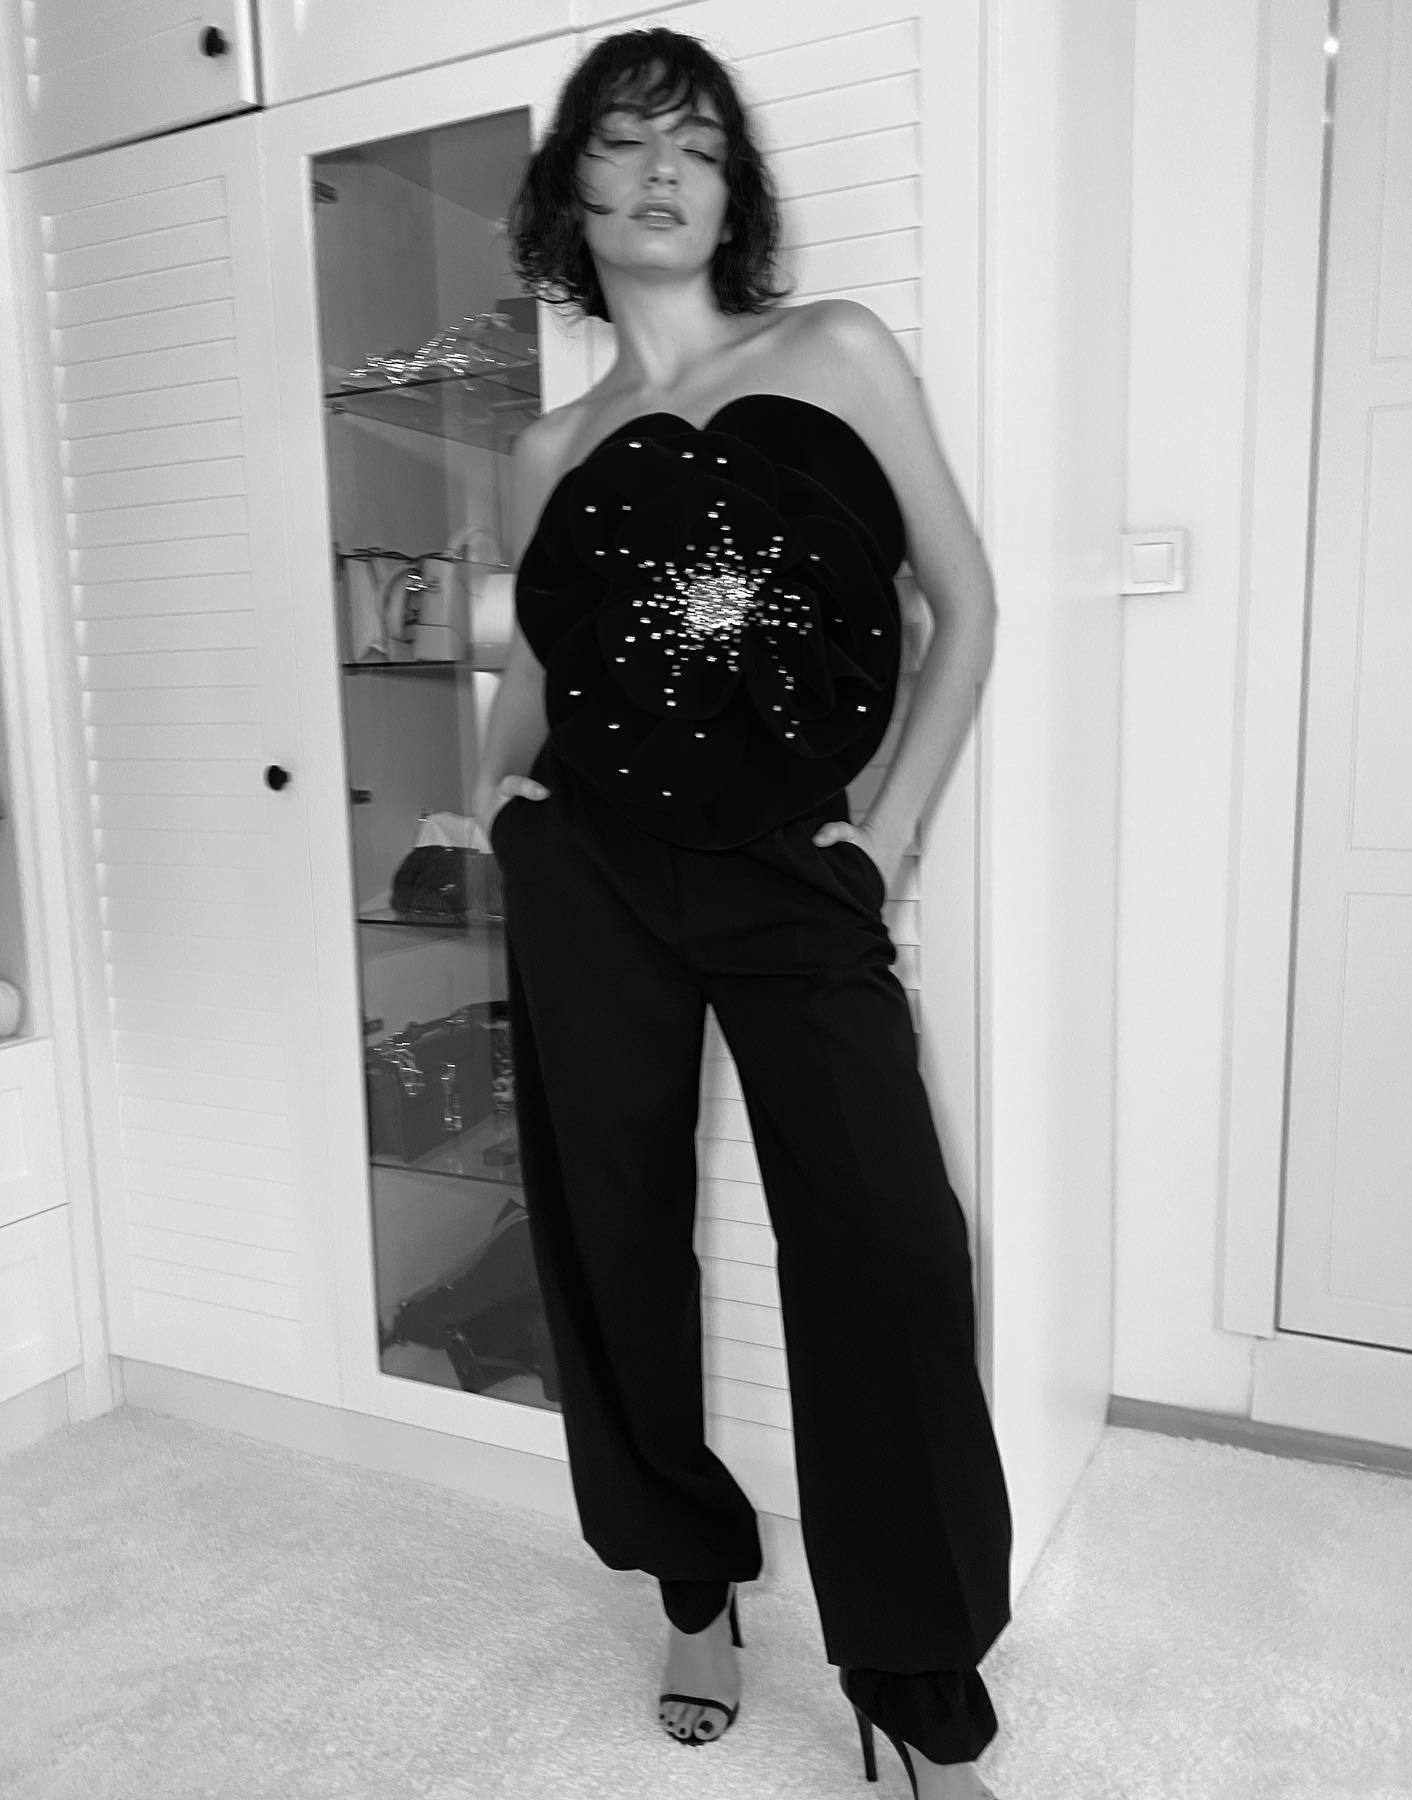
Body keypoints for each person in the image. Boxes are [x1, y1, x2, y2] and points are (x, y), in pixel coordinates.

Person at [470, 26, 1010, 1800]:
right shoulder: (547, 448)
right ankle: (691, 1589)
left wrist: (885, 843)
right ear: (572, 188)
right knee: (609, 1237)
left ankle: (914, 1686)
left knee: (890, 1251)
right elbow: (537, 671)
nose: (660, 172)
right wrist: (498, 803)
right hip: (594, 877)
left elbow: (963, 603)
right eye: (624, 141)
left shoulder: (833, 351)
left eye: (695, 146)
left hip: (797, 870)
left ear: (732, 191)